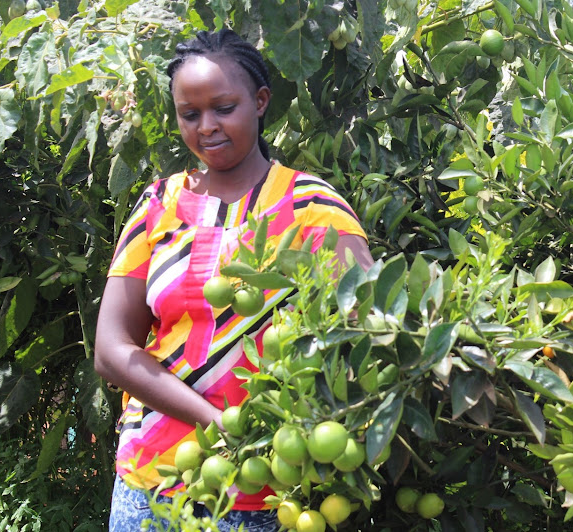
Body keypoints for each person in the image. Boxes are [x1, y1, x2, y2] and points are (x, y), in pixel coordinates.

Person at [94, 29, 373, 531]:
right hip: (149, 487)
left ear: (261, 101)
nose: (207, 127)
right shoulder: (158, 204)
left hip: (267, 492)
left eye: (224, 107)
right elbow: (112, 349)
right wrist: (218, 423)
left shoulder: (311, 208)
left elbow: (370, 329)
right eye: (190, 113)